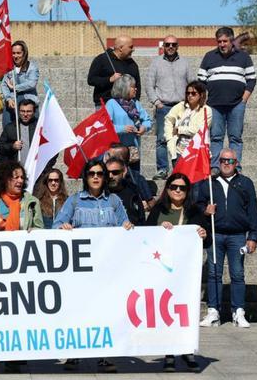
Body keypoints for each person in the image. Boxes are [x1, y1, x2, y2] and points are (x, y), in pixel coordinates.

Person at [53, 159, 132, 373]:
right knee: (78, 311)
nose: (96, 177)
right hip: (80, 270)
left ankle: (104, 355)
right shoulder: (75, 201)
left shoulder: (114, 201)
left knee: (105, 311)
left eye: (99, 173)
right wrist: (63, 227)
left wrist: (126, 226)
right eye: (91, 173)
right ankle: (74, 353)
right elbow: (56, 225)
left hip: (106, 269)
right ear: (85, 177)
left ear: (105, 177)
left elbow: (125, 226)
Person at [146, 173, 208, 372]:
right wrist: (159, 228)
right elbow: (145, 234)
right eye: (174, 187)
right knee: (167, 311)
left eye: (182, 187)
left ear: (187, 191)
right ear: (167, 188)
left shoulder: (195, 211)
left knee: (186, 311)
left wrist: (203, 234)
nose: (178, 190)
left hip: (186, 272)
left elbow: (206, 239)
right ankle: (169, 353)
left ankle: (187, 350)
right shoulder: (158, 210)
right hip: (163, 270)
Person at [195, 148, 257, 328]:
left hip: (238, 235)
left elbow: (253, 211)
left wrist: (253, 236)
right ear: (218, 162)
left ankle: (238, 311)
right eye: (223, 160)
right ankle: (213, 310)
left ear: (236, 163)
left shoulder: (245, 183)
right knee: (214, 273)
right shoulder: (209, 182)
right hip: (215, 233)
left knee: (237, 274)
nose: (226, 163)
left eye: (230, 161)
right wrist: (205, 210)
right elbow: (198, 203)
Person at [197, 27, 257, 170]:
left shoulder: (244, 57)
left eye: (225, 41)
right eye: (219, 41)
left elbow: (252, 80)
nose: (222, 44)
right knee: (216, 137)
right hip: (214, 105)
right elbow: (200, 81)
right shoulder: (209, 56)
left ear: (232, 41)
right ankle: (216, 167)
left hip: (237, 105)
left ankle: (235, 167)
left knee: (235, 138)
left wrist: (244, 100)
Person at [145, 35, 194, 179]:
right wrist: (156, 102)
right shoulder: (156, 63)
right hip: (163, 107)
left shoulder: (185, 63)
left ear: (178, 46)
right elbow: (149, 85)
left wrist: (191, 103)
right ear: (163, 47)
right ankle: (162, 169)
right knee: (162, 139)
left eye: (173, 44)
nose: (170, 47)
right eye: (167, 45)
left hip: (182, 107)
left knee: (183, 137)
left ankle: (181, 169)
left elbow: (192, 83)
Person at [105, 74, 152, 171]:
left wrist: (144, 127)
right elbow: (106, 127)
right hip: (116, 150)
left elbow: (147, 120)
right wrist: (122, 129)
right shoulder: (111, 104)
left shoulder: (136, 103)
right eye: (133, 87)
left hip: (132, 150)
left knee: (134, 178)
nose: (136, 89)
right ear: (124, 88)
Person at [164, 81, 212, 167]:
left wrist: (180, 129)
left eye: (193, 93)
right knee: (179, 179)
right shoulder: (181, 106)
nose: (190, 95)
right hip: (179, 152)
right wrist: (169, 139)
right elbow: (168, 119)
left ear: (201, 95)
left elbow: (200, 129)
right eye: (188, 93)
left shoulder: (206, 110)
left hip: (197, 152)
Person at [87, 35, 140, 107]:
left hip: (127, 106)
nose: (133, 49)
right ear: (121, 48)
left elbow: (137, 85)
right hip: (105, 105)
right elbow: (91, 80)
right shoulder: (102, 60)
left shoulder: (132, 64)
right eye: (130, 47)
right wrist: (109, 79)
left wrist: (135, 103)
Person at [0, 40, 39, 127]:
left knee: (29, 133)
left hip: (28, 103)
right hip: (11, 103)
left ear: (24, 53)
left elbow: (32, 83)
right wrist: (8, 98)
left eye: (18, 53)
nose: (15, 56)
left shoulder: (32, 67)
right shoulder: (9, 68)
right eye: (13, 53)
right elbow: (4, 84)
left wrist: (15, 87)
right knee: (8, 129)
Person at [0, 99, 38, 165]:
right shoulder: (10, 127)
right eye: (22, 111)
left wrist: (46, 168)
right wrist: (12, 146)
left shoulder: (40, 128)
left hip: (36, 170)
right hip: (16, 170)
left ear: (34, 112)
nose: (25, 114)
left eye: (29, 111)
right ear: (18, 111)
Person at [106, 157, 146, 225]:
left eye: (115, 172)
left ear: (124, 171)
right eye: (107, 173)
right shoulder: (101, 193)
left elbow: (140, 218)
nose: (110, 176)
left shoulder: (133, 190)